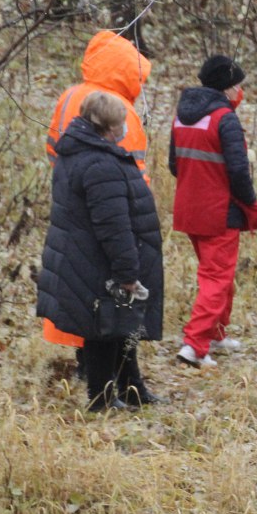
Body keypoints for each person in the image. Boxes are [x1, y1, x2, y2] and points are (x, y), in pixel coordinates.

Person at [37, 91, 165, 410]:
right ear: (109, 128)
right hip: (98, 259)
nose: (125, 130)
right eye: (121, 124)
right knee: (104, 329)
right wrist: (126, 272)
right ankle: (102, 398)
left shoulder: (76, 151)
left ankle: (131, 387)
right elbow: (113, 225)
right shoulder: (101, 163)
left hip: (82, 254)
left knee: (119, 324)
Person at [42, 31, 154, 373]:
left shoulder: (70, 95)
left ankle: (89, 364)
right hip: (111, 215)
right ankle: (104, 374)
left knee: (77, 287)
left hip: (70, 206)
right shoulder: (121, 111)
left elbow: (53, 148)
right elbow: (131, 176)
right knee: (110, 296)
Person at [169, 55, 257, 369]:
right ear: (227, 88)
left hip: (189, 210)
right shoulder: (225, 119)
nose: (241, 91)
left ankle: (217, 333)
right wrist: (251, 203)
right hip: (219, 213)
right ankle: (195, 346)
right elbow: (239, 173)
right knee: (216, 279)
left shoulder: (182, 116)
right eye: (238, 85)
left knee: (220, 275)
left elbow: (175, 165)